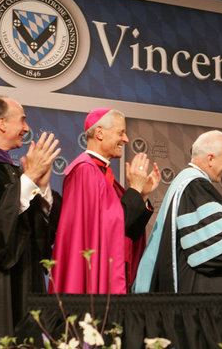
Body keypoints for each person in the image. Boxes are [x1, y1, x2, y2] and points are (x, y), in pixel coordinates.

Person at [133, 130, 222, 293]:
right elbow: (213, 250)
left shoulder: (186, 184)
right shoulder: (195, 187)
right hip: (197, 293)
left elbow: (207, 235)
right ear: (210, 159)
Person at [50, 108, 160, 294]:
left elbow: (127, 230)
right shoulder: (85, 171)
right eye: (121, 132)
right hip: (92, 277)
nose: (126, 140)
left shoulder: (102, 174)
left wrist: (141, 195)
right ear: (99, 133)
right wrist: (133, 189)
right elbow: (113, 225)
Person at [0, 95, 62, 343]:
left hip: (27, 277)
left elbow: (40, 232)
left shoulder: (17, 172)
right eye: (22, 120)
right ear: (1, 123)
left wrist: (42, 187)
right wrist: (29, 177)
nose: (26, 128)